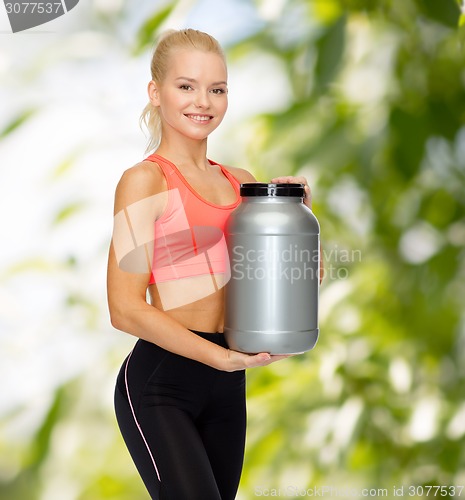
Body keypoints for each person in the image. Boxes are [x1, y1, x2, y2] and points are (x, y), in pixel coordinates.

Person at [107, 28, 320, 500]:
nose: (203, 101)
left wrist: (298, 213)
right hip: (162, 383)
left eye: (217, 89)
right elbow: (124, 308)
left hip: (226, 386)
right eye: (186, 86)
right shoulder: (144, 181)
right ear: (155, 92)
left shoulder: (242, 184)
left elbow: (299, 282)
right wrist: (220, 357)